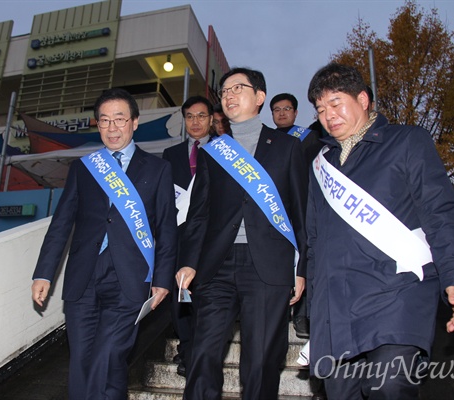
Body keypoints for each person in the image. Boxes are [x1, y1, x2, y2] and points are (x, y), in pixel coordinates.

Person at [306, 63, 454, 399]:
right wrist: (313, 307)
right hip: (336, 307)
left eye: (336, 103)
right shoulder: (320, 165)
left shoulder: (408, 141)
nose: (328, 115)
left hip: (397, 292)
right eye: (321, 109)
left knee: (388, 386)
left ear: (363, 99)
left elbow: (440, 212)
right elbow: (314, 239)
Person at [31, 88, 178, 400]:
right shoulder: (84, 168)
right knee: (84, 362)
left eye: (120, 120)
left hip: (130, 276)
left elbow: (166, 227)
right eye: (105, 121)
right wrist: (43, 273)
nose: (112, 128)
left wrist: (163, 279)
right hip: (83, 275)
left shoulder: (158, 168)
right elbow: (61, 224)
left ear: (135, 122)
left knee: (105, 357)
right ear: (97, 125)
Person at [176, 67, 308, 399]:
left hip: (268, 265)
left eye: (239, 88)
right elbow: (199, 214)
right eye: (224, 91)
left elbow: (302, 212)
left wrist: (302, 267)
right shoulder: (213, 152)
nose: (230, 95)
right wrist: (189, 260)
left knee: (261, 359)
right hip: (217, 265)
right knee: (203, 353)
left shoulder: (287, 147)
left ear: (260, 97)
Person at [162, 95, 214, 377]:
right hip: (179, 235)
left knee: (208, 296)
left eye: (201, 116)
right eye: (190, 117)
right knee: (180, 297)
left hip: (211, 235)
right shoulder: (171, 155)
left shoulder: (223, 151)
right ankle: (187, 350)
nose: (195, 122)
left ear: (211, 119)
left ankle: (202, 351)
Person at [269, 92, 321, 340]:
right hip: (272, 209)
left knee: (303, 259)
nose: (281, 113)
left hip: (300, 206)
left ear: (296, 112)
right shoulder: (265, 139)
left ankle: (302, 315)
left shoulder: (308, 138)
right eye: (276, 109)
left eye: (286, 109)